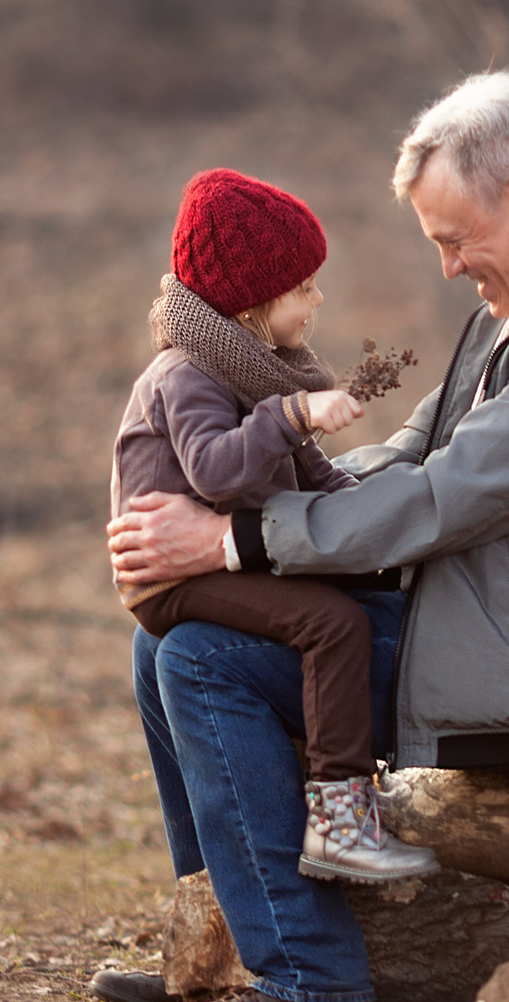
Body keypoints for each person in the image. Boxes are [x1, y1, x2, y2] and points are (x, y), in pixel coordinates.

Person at [101, 72, 509, 1002]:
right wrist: (238, 508)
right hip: (475, 613)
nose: (446, 268)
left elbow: (450, 495)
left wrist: (233, 542)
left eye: (454, 238)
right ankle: (220, 939)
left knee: (205, 659)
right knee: (164, 645)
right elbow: (410, 456)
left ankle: (313, 980)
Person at [112, 166, 441, 887]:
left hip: (219, 559)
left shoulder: (253, 368)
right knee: (332, 625)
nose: (317, 300)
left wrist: (372, 515)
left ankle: (236, 879)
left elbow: (310, 472)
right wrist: (290, 415)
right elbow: (215, 472)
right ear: (253, 301)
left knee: (335, 608)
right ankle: (340, 824)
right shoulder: (187, 375)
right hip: (169, 574)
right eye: (303, 288)